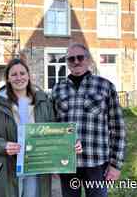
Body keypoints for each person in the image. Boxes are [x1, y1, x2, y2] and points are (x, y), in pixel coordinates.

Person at [51, 43, 126, 197]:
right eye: (71, 59)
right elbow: (52, 127)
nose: (76, 61)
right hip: (67, 164)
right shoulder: (57, 89)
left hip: (97, 163)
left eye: (80, 57)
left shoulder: (105, 86)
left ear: (89, 60)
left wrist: (116, 165)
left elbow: (118, 128)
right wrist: (54, 162)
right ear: (67, 62)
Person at [0, 58, 55, 197]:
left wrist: (56, 160)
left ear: (28, 75)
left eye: (22, 73)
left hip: (37, 166)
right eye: (14, 74)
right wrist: (3, 145)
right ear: (7, 78)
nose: (19, 77)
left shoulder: (43, 101)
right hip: (9, 168)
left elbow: (53, 131)